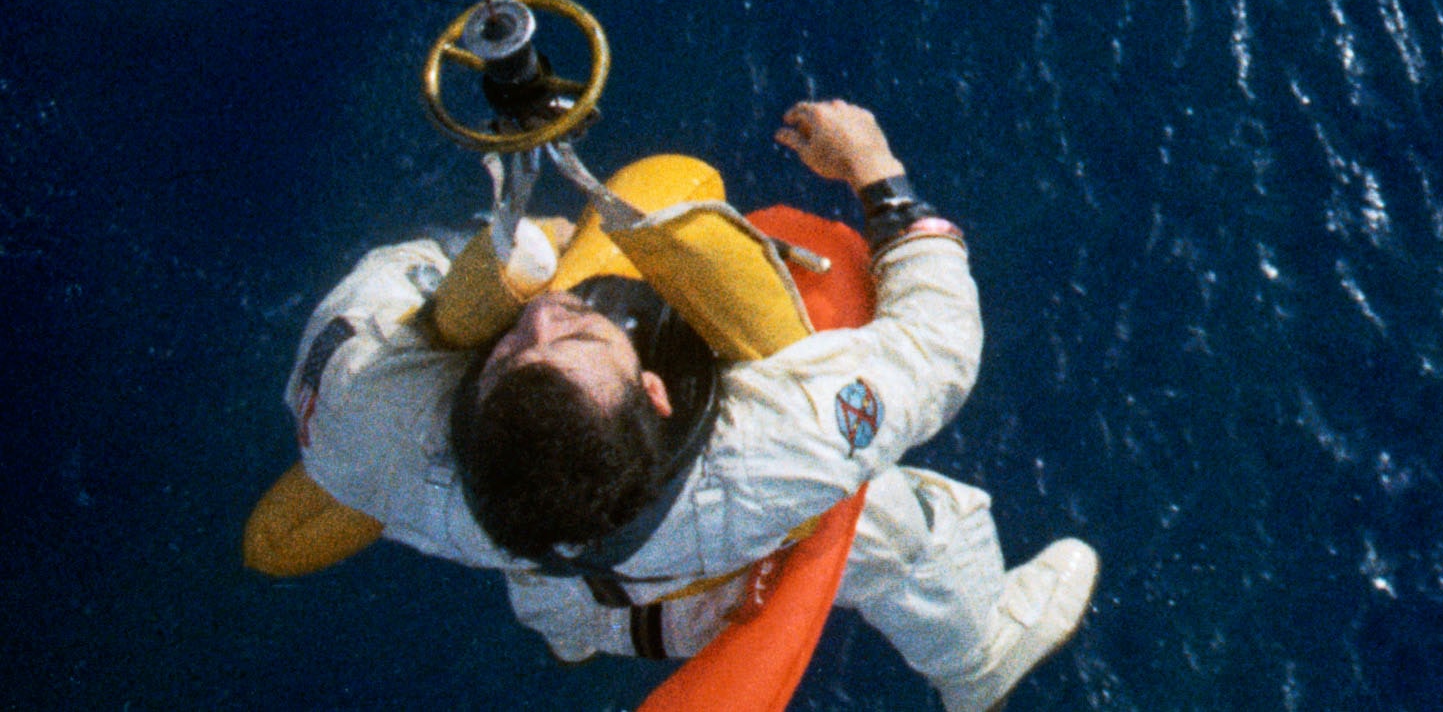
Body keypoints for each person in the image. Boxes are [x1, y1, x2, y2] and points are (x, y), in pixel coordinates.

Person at [285, 98, 1096, 711]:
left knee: (549, 587)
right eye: (575, 340)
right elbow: (937, 352)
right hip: (706, 573)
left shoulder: (367, 422)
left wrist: (452, 311)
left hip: (569, 599)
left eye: (509, 354)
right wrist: (877, 174)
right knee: (917, 524)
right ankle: (976, 657)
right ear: (654, 393)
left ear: (463, 425)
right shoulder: (772, 446)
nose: (541, 315)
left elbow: (379, 298)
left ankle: (574, 640)